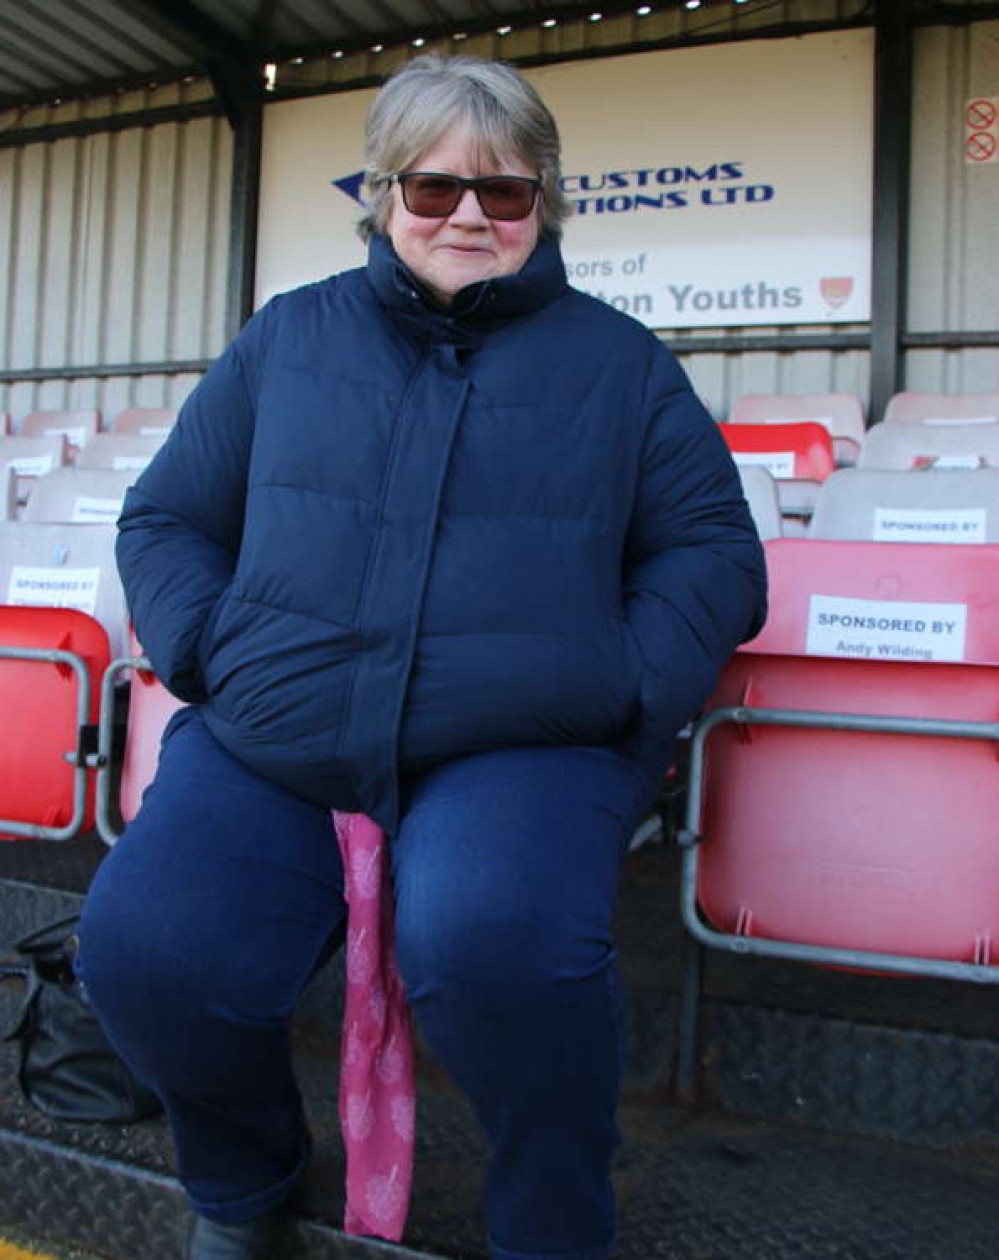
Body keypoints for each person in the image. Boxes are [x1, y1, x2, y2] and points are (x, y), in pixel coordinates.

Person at [77, 53, 767, 1260]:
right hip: (279, 731)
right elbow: (165, 520)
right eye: (434, 188)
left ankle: (553, 1228)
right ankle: (242, 1188)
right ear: (384, 196)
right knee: (148, 953)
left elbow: (714, 557)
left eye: (504, 194)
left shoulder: (621, 365)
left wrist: (620, 686)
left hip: (522, 744)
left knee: (501, 947)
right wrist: (214, 649)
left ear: (543, 204)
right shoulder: (288, 338)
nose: (467, 217)